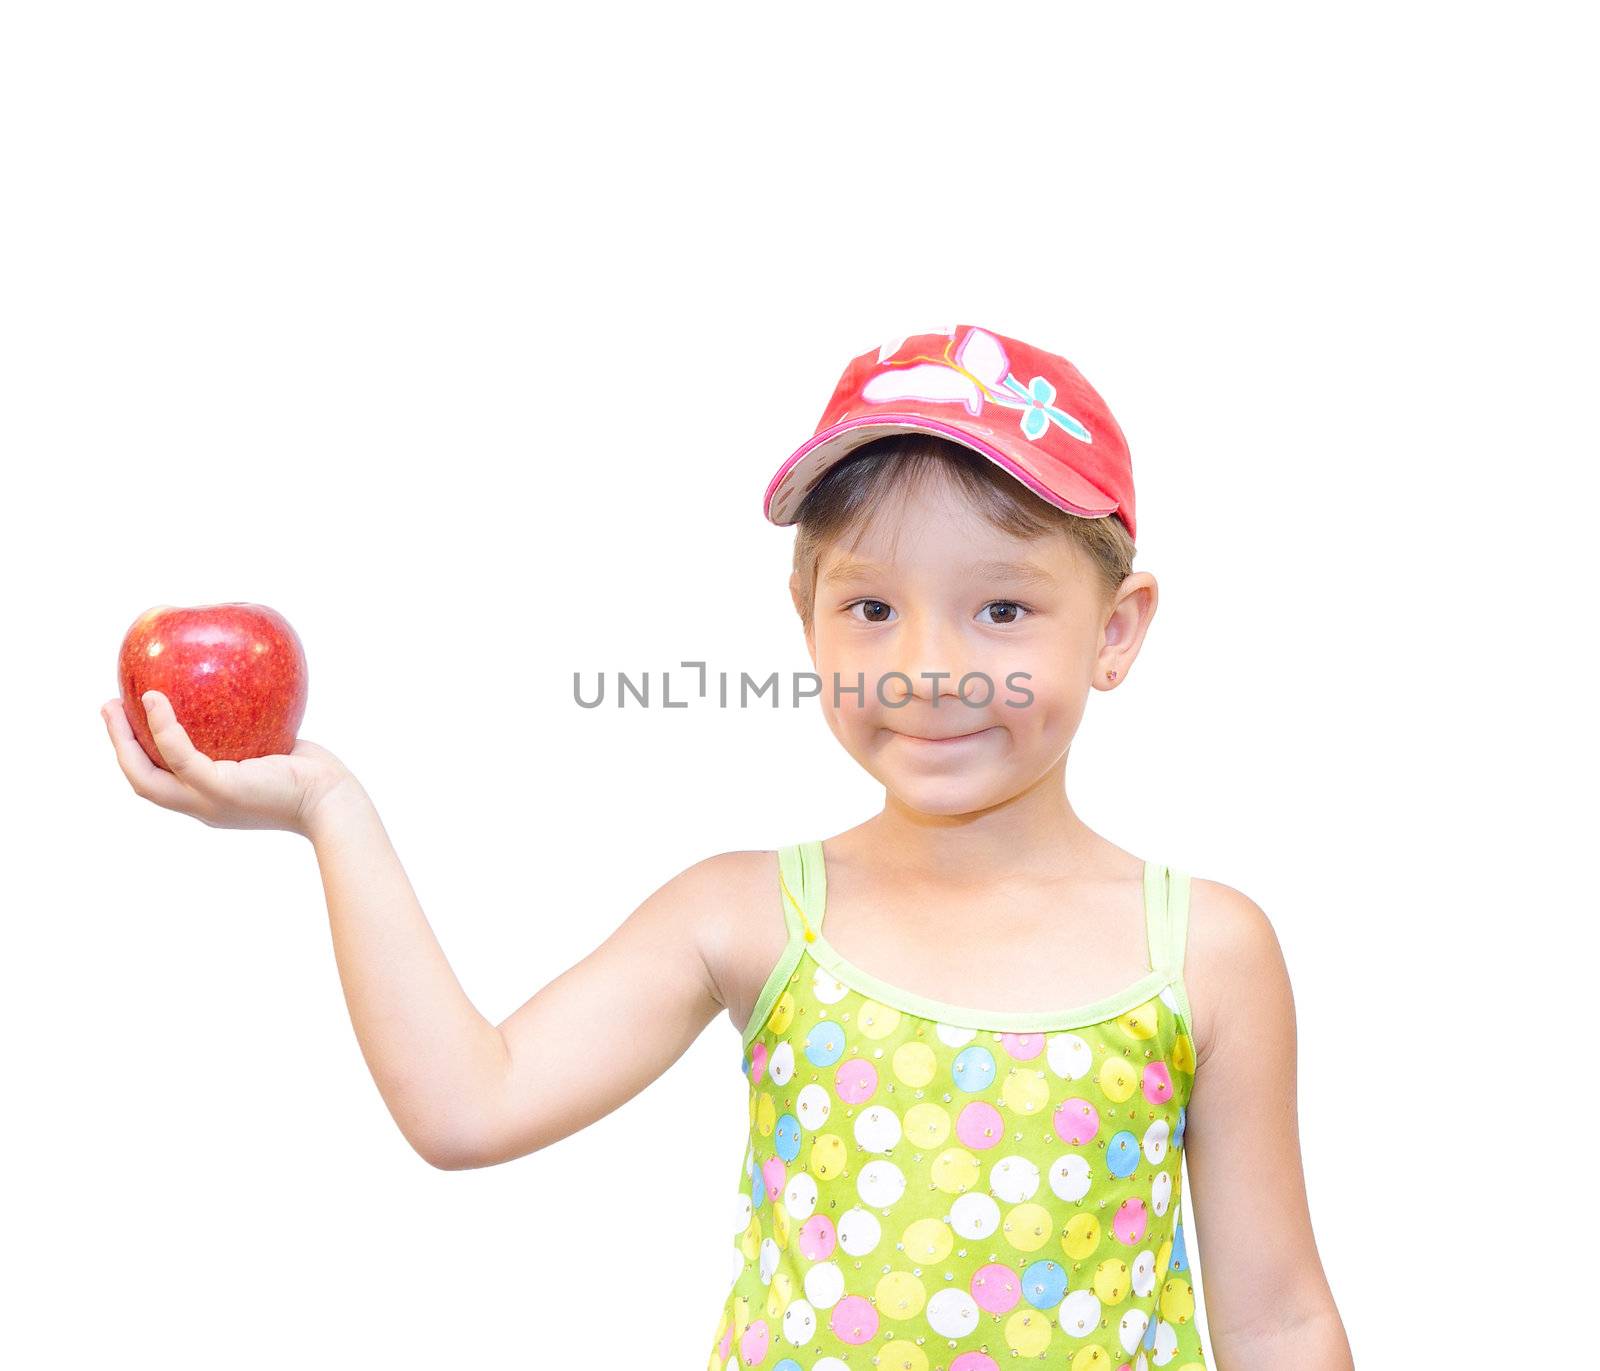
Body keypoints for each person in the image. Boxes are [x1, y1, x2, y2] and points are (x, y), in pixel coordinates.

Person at [100, 323, 1353, 1370]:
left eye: (1003, 608)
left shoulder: (1204, 949)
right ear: (805, 620)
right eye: (870, 606)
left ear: (1117, 631)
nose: (927, 664)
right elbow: (467, 1105)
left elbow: (1279, 1316)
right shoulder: (745, 917)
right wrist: (333, 811)